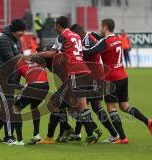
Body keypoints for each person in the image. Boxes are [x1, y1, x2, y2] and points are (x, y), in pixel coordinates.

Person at [83, 18, 152, 144]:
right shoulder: (117, 39)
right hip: (123, 75)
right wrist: (90, 34)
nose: (100, 29)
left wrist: (76, 51)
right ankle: (147, 121)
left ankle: (122, 137)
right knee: (124, 105)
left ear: (105, 27)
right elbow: (102, 40)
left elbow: (90, 52)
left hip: (111, 78)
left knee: (111, 107)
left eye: (101, 26)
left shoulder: (105, 42)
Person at [29, 16, 100, 144]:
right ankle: (91, 133)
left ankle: (50, 138)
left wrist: (35, 55)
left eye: (55, 25)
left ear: (57, 25)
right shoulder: (76, 36)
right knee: (81, 107)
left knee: (54, 103)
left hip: (74, 72)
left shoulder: (62, 36)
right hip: (83, 71)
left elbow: (53, 53)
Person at [68, 24, 118, 142]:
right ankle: (80, 133)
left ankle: (104, 133)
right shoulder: (90, 37)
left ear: (78, 33)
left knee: (83, 105)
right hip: (94, 76)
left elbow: (87, 54)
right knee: (90, 106)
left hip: (92, 77)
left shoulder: (86, 41)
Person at [0, 19, 26, 145]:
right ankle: (9, 136)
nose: (22, 36)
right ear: (14, 31)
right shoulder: (2, 40)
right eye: (20, 33)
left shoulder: (16, 40)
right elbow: (12, 59)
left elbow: (20, 56)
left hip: (10, 77)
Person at [12, 57, 49, 146]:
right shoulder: (37, 62)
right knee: (34, 107)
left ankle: (19, 141)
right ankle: (36, 135)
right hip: (45, 86)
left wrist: (24, 88)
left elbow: (14, 82)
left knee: (15, 108)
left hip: (32, 86)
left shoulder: (18, 64)